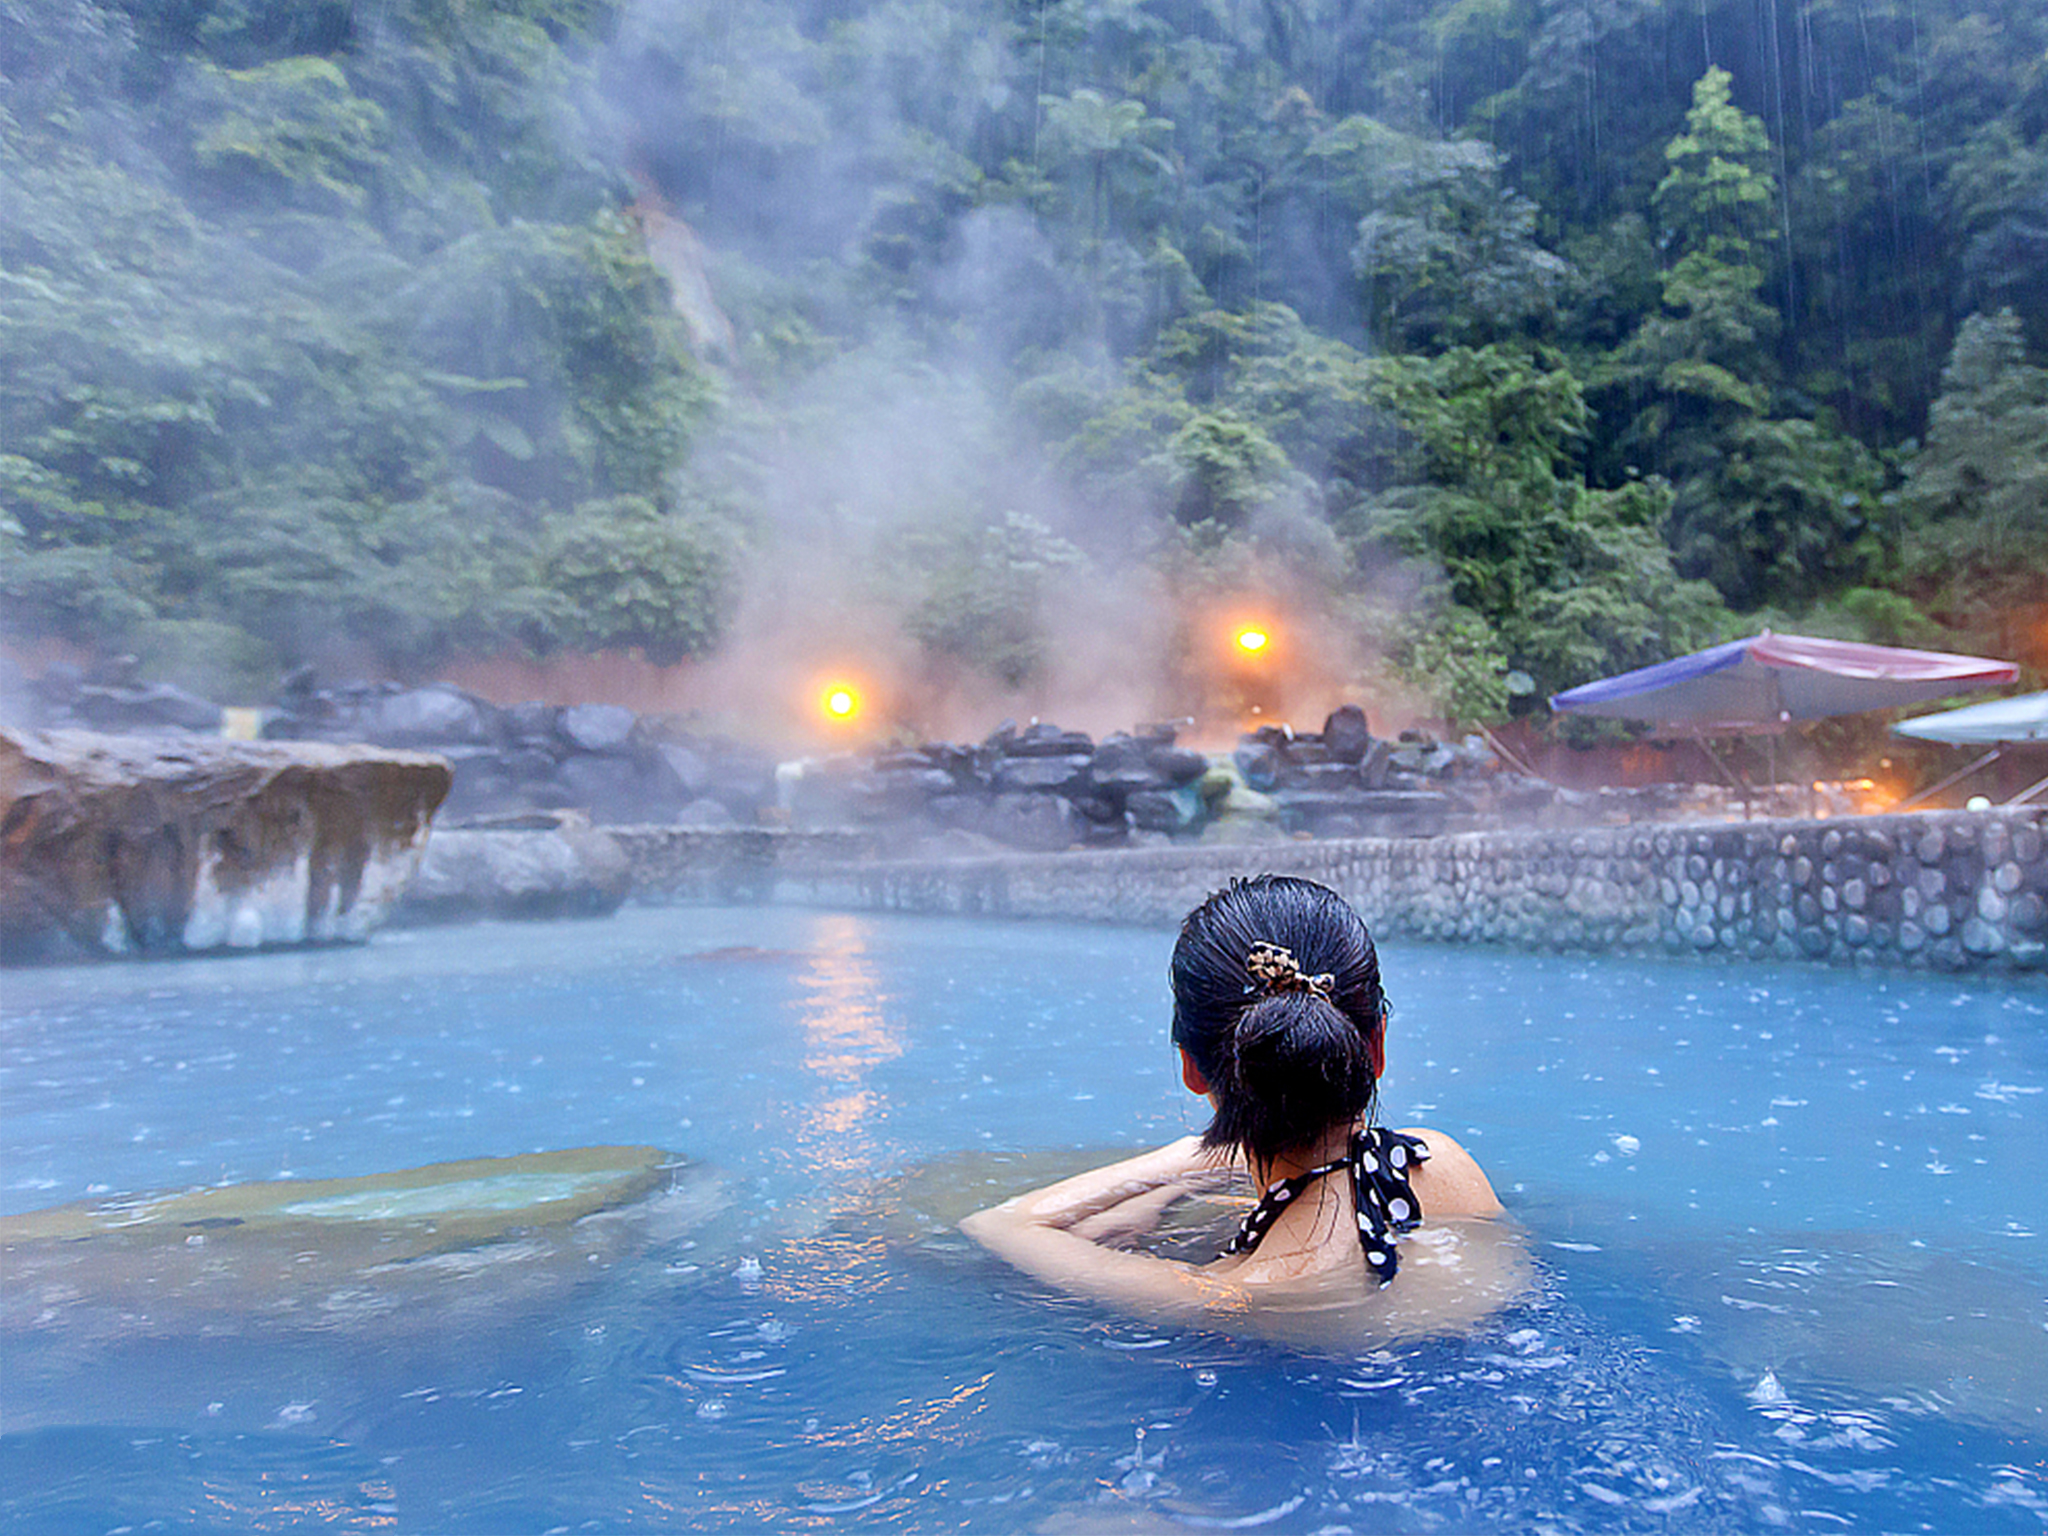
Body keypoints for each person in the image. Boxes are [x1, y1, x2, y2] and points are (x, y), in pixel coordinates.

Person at [960, 875, 1522, 1339]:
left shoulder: (1234, 1294)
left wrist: (1190, 1158)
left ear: (1192, 1068)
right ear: (1375, 1048)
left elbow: (1001, 1225)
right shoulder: (1446, 1164)